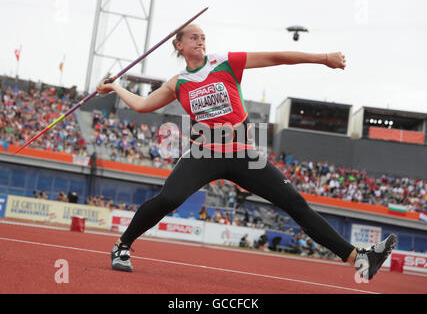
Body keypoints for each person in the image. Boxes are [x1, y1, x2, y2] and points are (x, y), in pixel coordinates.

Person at [98, 24, 396, 280]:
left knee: (294, 202)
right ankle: (122, 245)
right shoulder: (178, 83)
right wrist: (114, 88)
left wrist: (323, 59)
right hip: (205, 151)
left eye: (203, 36)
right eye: (193, 38)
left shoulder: (225, 62)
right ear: (179, 45)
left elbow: (277, 57)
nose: (201, 41)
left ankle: (359, 259)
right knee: (169, 198)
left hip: (243, 153)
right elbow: (141, 104)